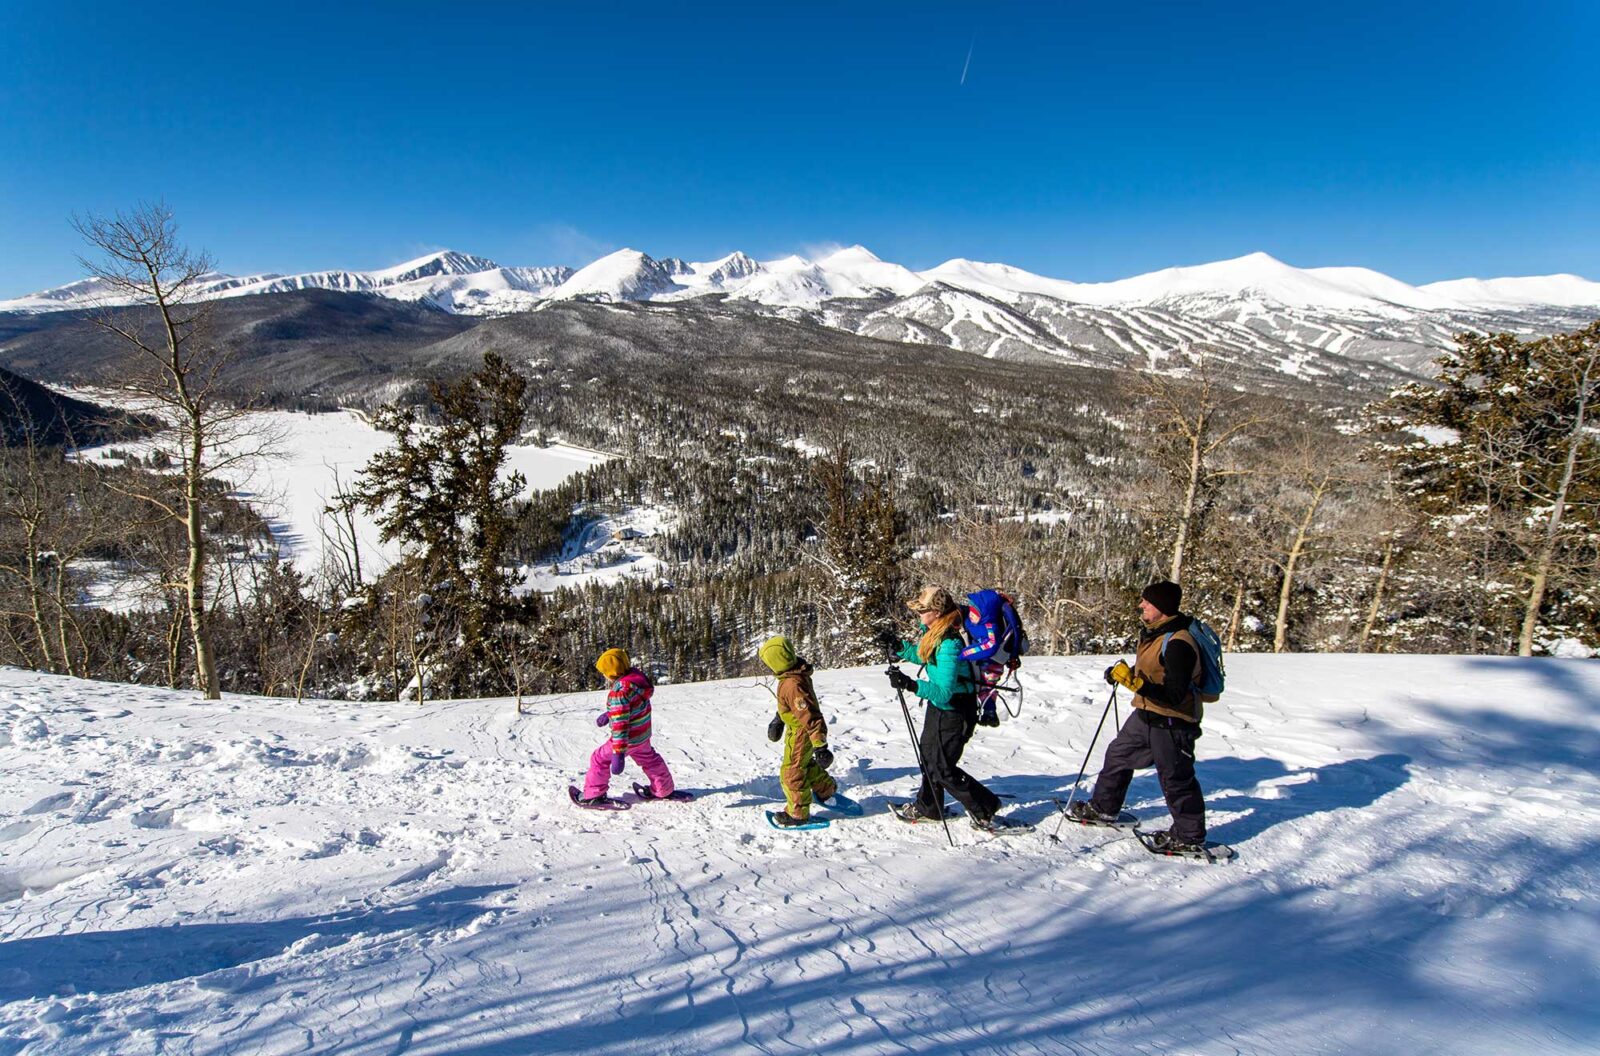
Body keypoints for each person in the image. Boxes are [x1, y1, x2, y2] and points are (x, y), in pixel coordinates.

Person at [1067, 580, 1208, 852]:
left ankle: (1189, 836)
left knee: (1176, 778)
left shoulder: (1180, 642)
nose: (1141, 605)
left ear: (1163, 608)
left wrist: (1138, 685)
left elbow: (1175, 694)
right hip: (1147, 714)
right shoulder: (1157, 633)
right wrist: (1125, 674)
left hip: (1172, 721)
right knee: (1118, 755)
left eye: (1147, 602)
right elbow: (1153, 668)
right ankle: (1103, 808)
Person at [886, 586, 1004, 831]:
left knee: (943, 768)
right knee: (929, 757)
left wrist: (910, 684)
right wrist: (899, 648)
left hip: (956, 711)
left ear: (937, 612)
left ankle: (986, 807)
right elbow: (925, 656)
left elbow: (944, 691)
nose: (919, 615)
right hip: (940, 709)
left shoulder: (950, 642)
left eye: (923, 610)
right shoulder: (935, 633)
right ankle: (929, 806)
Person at [579, 647, 676, 805]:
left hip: (627, 740)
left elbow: (620, 726)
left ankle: (594, 794)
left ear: (611, 673)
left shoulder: (619, 693)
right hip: (642, 736)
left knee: (598, 758)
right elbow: (632, 707)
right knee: (650, 760)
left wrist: (618, 753)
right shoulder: (636, 683)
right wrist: (610, 714)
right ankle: (663, 789)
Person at [759, 635, 838, 828]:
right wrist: (779, 719)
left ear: (776, 661)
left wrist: (821, 746)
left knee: (791, 771)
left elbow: (809, 715)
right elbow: (791, 707)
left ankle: (797, 814)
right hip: (797, 731)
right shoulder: (790, 677)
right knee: (803, 764)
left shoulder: (793, 684)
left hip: (803, 733)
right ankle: (825, 789)